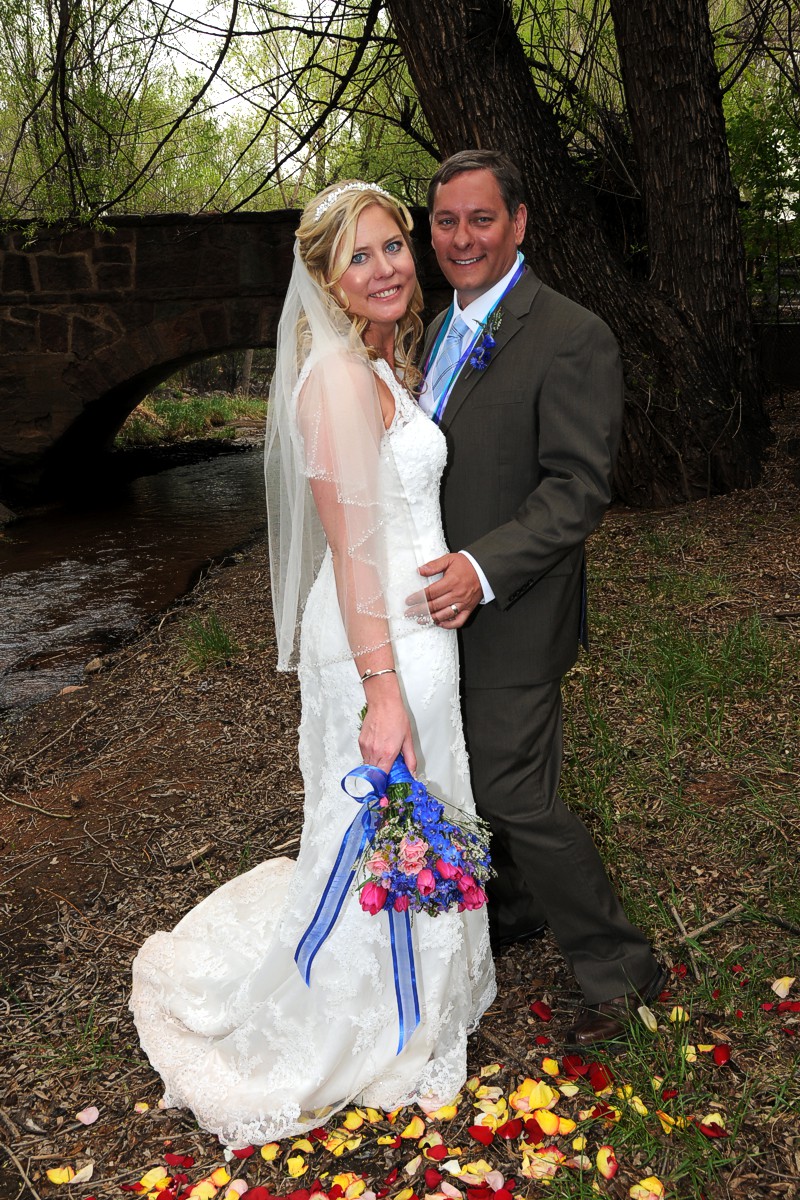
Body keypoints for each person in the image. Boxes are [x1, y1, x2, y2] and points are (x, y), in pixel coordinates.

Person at [129, 181, 495, 1147]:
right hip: (381, 643)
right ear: (327, 280)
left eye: (393, 247)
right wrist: (382, 689)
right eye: (361, 257)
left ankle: (415, 998)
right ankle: (364, 1023)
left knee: (417, 810)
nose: (386, 268)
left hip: (423, 634)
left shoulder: (379, 364)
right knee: (377, 820)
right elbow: (355, 549)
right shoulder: (335, 380)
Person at [412, 149, 666, 1048]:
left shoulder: (571, 333)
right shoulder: (432, 329)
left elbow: (576, 488)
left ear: (519, 223)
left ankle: (622, 967)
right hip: (433, 613)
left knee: (517, 792)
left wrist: (481, 570)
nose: (462, 238)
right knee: (472, 772)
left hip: (511, 608)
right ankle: (513, 906)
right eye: (447, 222)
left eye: (481, 219)